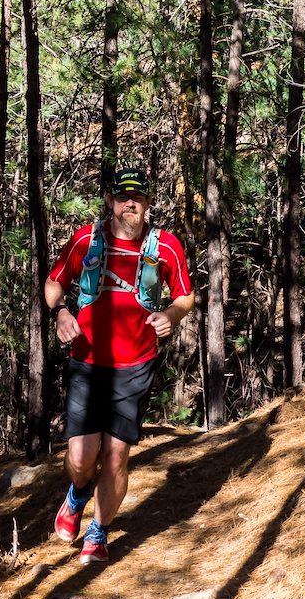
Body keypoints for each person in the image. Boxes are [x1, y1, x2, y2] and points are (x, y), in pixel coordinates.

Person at [45, 166, 194, 566]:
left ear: (147, 204)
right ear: (110, 201)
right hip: (86, 362)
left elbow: (185, 296)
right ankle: (77, 493)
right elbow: (54, 282)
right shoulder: (86, 240)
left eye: (138, 197)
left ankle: (98, 532)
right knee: (81, 458)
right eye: (123, 197)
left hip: (135, 365)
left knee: (115, 456)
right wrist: (61, 312)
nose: (130, 203)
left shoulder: (166, 247)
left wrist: (170, 315)